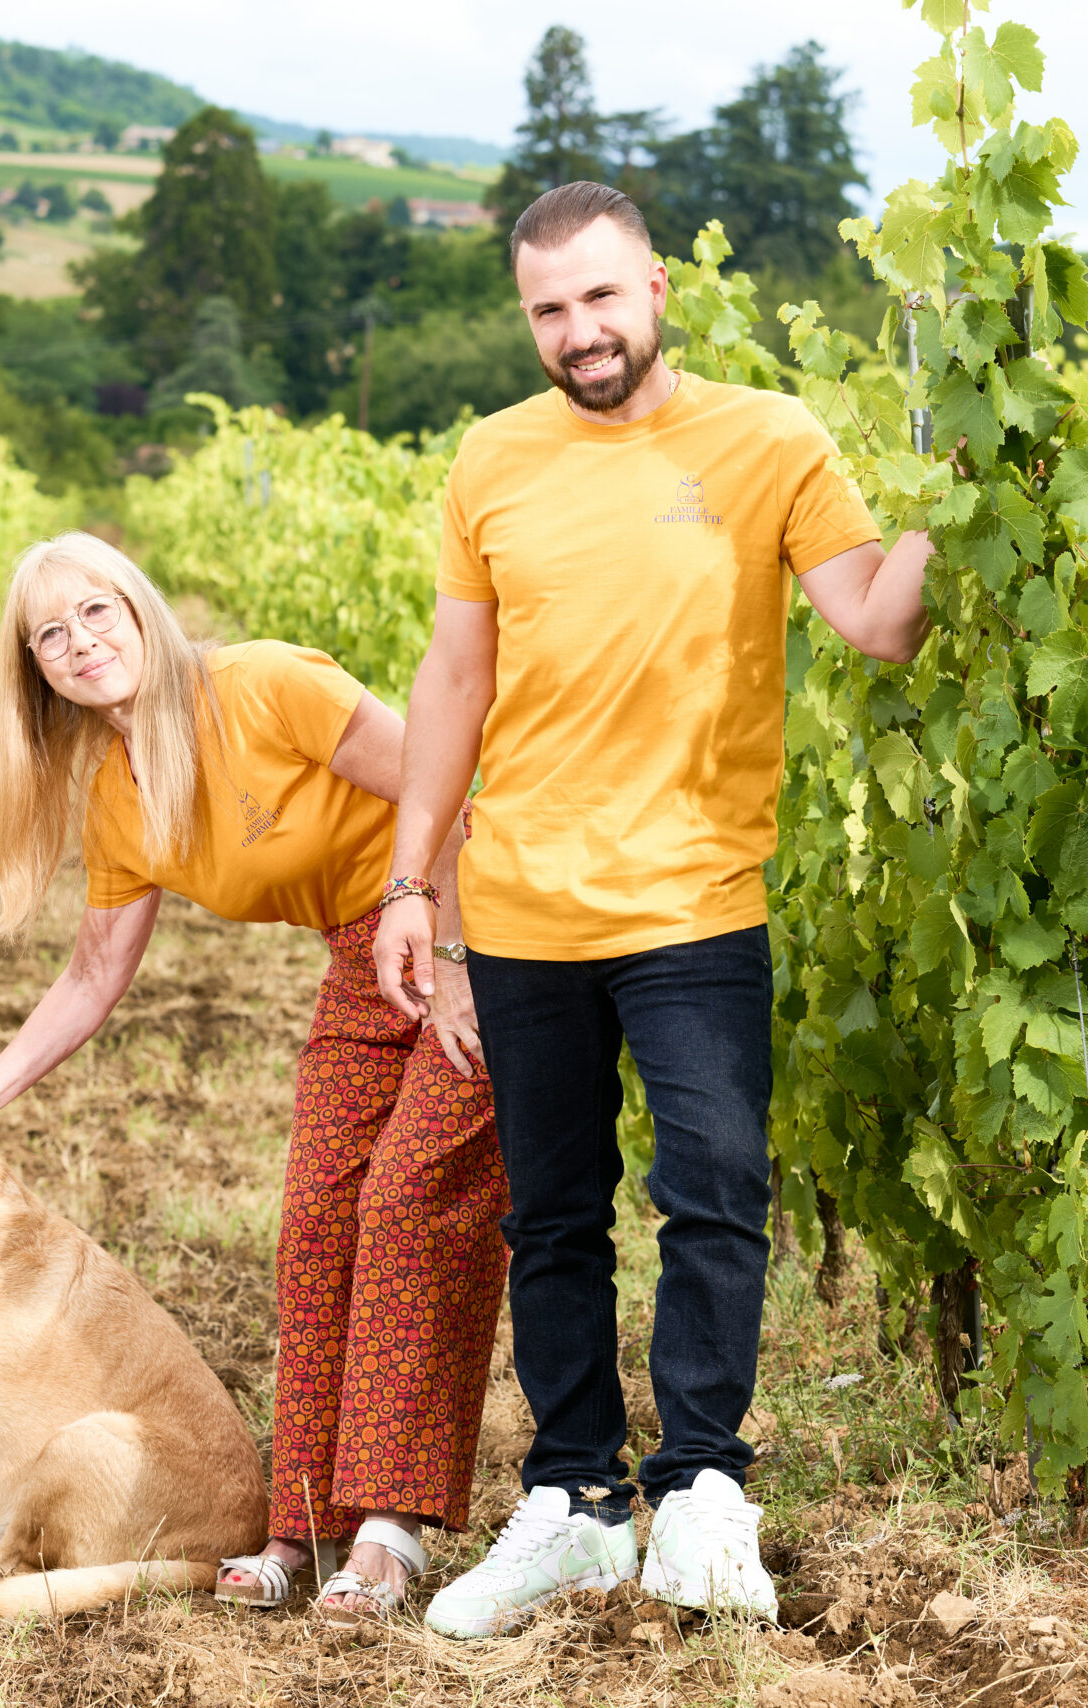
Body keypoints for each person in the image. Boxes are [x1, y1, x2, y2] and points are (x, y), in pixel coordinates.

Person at [372, 182, 935, 1639]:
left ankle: (700, 1491)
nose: (580, 331)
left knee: (715, 1193)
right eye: (549, 309)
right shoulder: (493, 458)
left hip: (693, 896)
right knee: (552, 1217)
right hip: (523, 908)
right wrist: (413, 880)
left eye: (601, 297)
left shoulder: (770, 440)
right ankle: (573, 1502)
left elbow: (876, 621)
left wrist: (966, 495)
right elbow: (454, 680)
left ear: (657, 290)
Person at [0, 532, 504, 1622]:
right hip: (361, 956)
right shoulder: (119, 793)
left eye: (95, 611)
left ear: (138, 607)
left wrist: (454, 954)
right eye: (50, 635)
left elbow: (452, 799)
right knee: (317, 1221)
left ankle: (389, 1528)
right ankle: (304, 1520)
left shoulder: (265, 687)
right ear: (37, 673)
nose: (80, 643)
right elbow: (92, 974)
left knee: (410, 1200)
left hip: (478, 923)